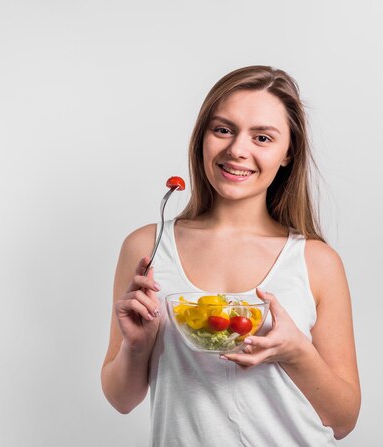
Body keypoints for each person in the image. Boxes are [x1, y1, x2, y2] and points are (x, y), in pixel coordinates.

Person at [101, 65, 360, 446]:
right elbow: (121, 399)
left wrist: (294, 353)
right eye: (223, 129)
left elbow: (343, 420)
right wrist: (136, 346)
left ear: (288, 153)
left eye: (262, 137)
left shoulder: (316, 261)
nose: (237, 149)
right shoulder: (147, 248)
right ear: (202, 137)